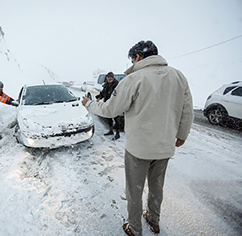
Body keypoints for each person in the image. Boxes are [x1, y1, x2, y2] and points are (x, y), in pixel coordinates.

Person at [81, 40, 194, 236]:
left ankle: (134, 228)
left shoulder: (133, 79)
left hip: (138, 149)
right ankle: (154, 219)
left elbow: (110, 109)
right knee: (157, 186)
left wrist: (89, 104)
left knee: (134, 189)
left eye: (132, 58)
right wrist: (182, 135)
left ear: (138, 57)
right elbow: (187, 111)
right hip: (164, 147)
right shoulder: (178, 76)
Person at [95, 72, 121, 140]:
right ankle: (111, 131)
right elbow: (103, 92)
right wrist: (99, 97)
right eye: (107, 79)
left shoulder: (117, 85)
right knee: (108, 117)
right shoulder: (106, 84)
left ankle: (117, 134)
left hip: (115, 104)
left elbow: (119, 95)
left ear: (113, 78)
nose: (109, 81)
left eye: (110, 79)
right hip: (107, 103)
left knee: (116, 119)